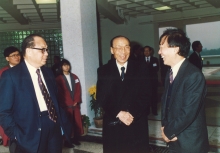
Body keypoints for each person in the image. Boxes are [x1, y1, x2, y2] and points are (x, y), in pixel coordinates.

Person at [0, 34, 72, 153]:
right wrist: (16, 135)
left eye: (47, 50)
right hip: (29, 130)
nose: (47, 54)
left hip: (53, 125)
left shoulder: (48, 72)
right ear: (28, 51)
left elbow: (56, 101)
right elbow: (3, 111)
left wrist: (63, 125)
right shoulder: (11, 75)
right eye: (42, 50)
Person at [96, 35, 151, 153]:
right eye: (119, 48)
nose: (123, 52)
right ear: (112, 50)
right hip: (114, 121)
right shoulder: (104, 70)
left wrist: (131, 114)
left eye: (126, 47)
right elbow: (102, 97)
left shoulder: (141, 68)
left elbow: (146, 95)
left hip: (136, 121)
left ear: (130, 49)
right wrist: (119, 113)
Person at [159, 28, 209, 153]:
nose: (159, 52)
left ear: (175, 49)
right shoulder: (169, 73)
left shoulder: (193, 75)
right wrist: (165, 128)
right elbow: (166, 105)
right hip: (173, 138)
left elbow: (188, 113)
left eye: (162, 47)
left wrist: (168, 132)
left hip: (189, 143)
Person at [56, 59, 83, 147]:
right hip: (66, 106)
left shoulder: (75, 77)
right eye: (64, 65)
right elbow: (60, 93)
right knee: (67, 123)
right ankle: (67, 141)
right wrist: (68, 102)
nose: (66, 67)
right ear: (61, 67)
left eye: (68, 65)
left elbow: (78, 90)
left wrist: (76, 101)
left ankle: (75, 139)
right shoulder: (58, 79)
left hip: (75, 105)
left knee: (76, 122)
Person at [0, 46, 21, 147]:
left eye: (18, 55)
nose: (17, 57)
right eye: (13, 56)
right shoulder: (3, 72)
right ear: (7, 58)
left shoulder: (25, 69)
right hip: (10, 108)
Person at [143, 46, 159, 116]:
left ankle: (154, 111)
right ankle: (146, 111)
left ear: (151, 51)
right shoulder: (140, 60)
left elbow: (156, 69)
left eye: (147, 51)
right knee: (145, 97)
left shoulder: (155, 59)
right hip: (144, 82)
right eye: (145, 51)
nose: (146, 52)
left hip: (153, 82)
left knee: (154, 96)